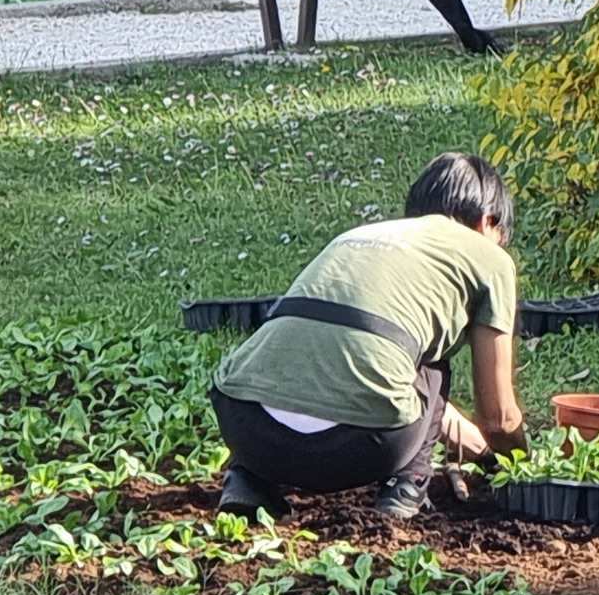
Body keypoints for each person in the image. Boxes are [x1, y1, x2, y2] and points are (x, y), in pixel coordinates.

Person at [209, 151, 531, 519]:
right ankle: (406, 486)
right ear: (489, 222)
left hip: (246, 427)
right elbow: (498, 419)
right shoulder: (489, 257)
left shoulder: (357, 236)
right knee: (430, 362)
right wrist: (520, 465)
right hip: (362, 446)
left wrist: (481, 454)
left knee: (329, 344)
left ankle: (248, 481)